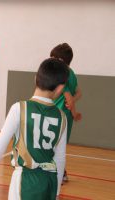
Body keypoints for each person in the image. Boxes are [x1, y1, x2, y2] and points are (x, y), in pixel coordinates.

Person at [0, 58, 69, 200]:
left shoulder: (19, 108)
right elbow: (60, 158)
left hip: (24, 180)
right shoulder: (62, 117)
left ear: (35, 79)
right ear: (60, 88)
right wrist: (57, 192)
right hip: (50, 181)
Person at [50, 43, 82, 181]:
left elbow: (68, 98)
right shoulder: (72, 73)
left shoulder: (63, 75)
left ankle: (58, 175)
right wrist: (73, 104)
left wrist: (74, 112)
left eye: (53, 59)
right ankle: (61, 172)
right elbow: (79, 93)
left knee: (54, 146)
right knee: (60, 146)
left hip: (58, 114)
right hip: (66, 116)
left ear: (61, 61)